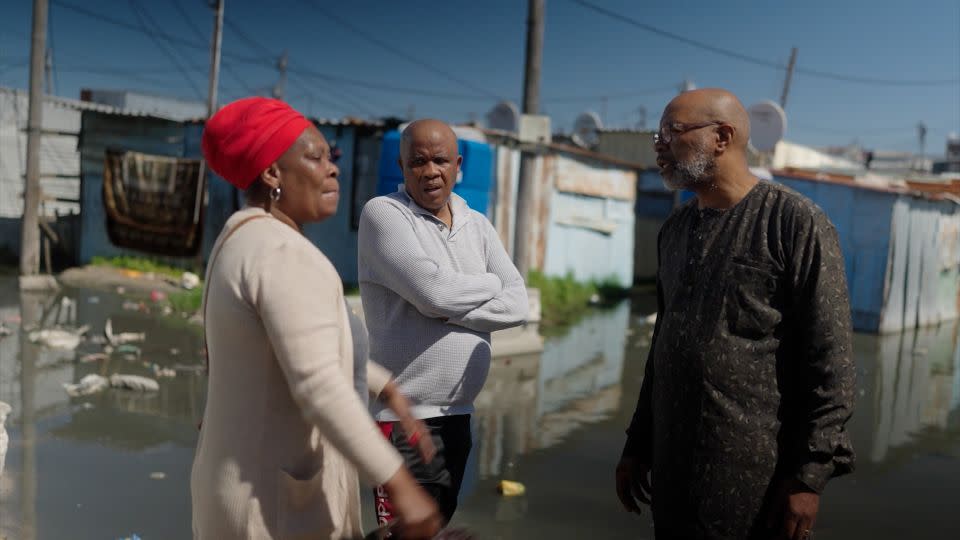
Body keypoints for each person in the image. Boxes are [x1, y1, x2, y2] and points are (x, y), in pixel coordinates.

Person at [191, 97, 441, 540]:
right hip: (270, 508)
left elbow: (297, 348)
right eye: (315, 157)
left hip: (234, 492)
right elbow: (318, 384)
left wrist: (389, 390)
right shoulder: (284, 253)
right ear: (272, 173)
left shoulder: (241, 238)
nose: (333, 169)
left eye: (332, 157)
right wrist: (400, 484)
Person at [615, 89, 856, 540]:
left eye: (672, 131)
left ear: (721, 137)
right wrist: (637, 443)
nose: (659, 144)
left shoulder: (794, 223)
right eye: (657, 133)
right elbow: (662, 347)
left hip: (754, 480)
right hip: (672, 474)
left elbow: (833, 362)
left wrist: (809, 476)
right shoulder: (675, 230)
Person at [357, 119, 529, 528]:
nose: (430, 171)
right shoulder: (385, 214)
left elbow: (518, 302)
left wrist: (443, 305)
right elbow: (433, 292)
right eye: (418, 161)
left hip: (458, 415)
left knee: (435, 527)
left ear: (458, 164)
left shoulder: (479, 225)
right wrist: (488, 285)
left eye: (440, 160)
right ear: (401, 166)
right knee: (402, 532)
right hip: (405, 421)